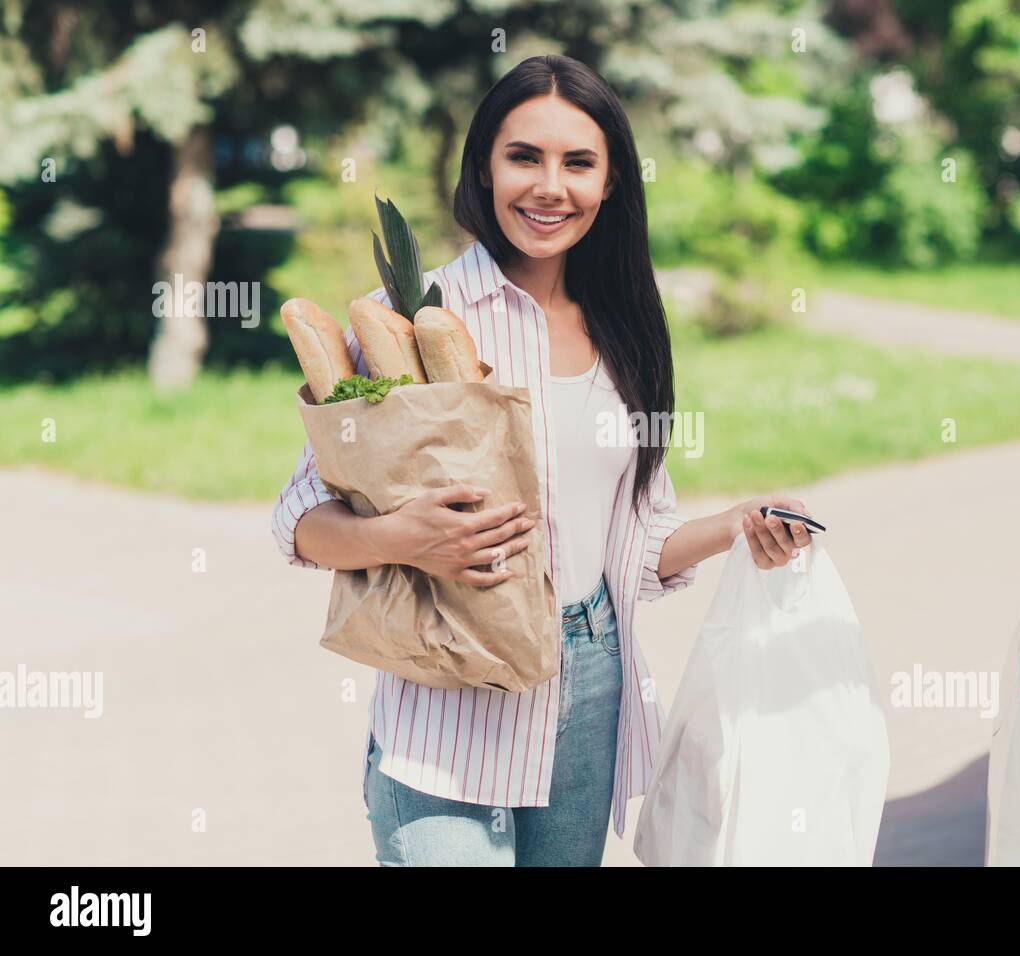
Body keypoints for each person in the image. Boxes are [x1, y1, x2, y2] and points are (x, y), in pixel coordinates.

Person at [271, 54, 815, 866]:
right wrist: (402, 538)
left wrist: (738, 525)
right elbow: (298, 522)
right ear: (484, 169)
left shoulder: (625, 331)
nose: (549, 186)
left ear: (611, 184)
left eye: (579, 163)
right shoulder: (412, 321)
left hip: (590, 680)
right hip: (444, 707)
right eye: (524, 157)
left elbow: (637, 538)